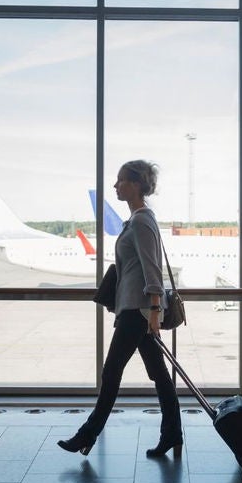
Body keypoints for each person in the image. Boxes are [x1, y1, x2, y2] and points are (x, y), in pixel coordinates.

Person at [58, 160, 183, 459]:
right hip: (136, 309)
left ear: (137, 185)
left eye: (121, 180)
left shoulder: (141, 221)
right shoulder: (137, 220)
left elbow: (152, 269)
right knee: (159, 375)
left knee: (112, 371)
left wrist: (154, 310)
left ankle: (86, 436)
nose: (116, 186)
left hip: (138, 311)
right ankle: (173, 435)